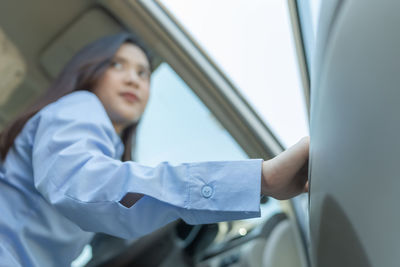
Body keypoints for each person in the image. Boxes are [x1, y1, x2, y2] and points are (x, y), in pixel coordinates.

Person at [0, 32, 309, 266]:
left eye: (143, 73)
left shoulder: (107, 151)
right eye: (117, 65)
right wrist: (260, 179)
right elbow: (85, 186)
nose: (133, 79)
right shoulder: (80, 105)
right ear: (90, 72)